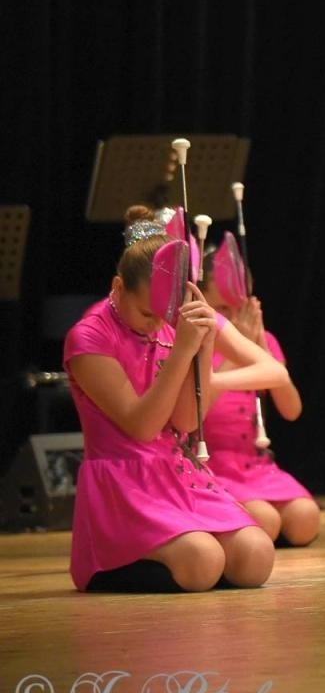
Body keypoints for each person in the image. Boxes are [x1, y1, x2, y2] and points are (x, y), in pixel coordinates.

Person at [63, 206, 281, 591]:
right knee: (203, 560)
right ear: (117, 288)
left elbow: (185, 422)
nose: (156, 324)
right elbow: (142, 427)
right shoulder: (89, 337)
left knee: (256, 556)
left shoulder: (172, 321)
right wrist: (182, 351)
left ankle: (188, 559)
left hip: (177, 473)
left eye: (162, 313)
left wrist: (204, 350)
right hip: (125, 483)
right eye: (146, 313)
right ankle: (107, 567)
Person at [199, 240, 321, 545]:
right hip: (212, 465)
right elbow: (196, 413)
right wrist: (235, 348)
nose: (231, 318)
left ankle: (248, 529)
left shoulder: (263, 341)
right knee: (264, 520)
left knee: (305, 519)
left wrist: (259, 345)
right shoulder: (197, 345)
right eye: (221, 309)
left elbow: (291, 410)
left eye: (238, 308)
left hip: (255, 467)